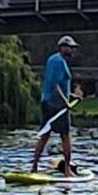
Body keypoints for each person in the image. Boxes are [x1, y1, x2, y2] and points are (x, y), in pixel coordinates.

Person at [31, 35, 79, 176]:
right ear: (62, 47)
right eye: (70, 47)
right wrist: (66, 102)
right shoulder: (59, 61)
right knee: (65, 136)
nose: (72, 50)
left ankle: (34, 167)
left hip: (48, 102)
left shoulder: (53, 60)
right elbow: (55, 85)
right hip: (57, 105)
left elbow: (57, 84)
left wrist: (71, 95)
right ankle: (67, 171)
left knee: (45, 135)